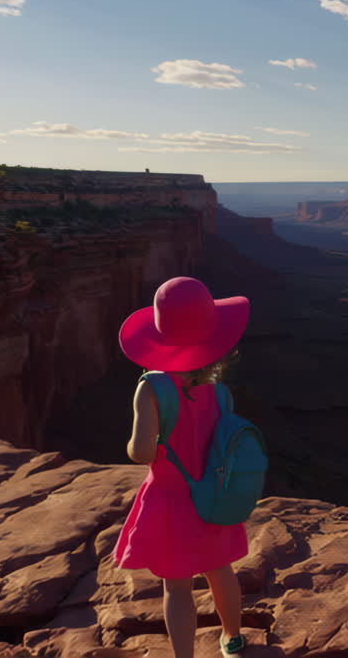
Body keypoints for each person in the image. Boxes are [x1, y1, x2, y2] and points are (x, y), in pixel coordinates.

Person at [113, 276, 252, 657]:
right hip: (215, 497)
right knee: (220, 570)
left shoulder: (152, 387)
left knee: (176, 588)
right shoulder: (218, 388)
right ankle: (233, 638)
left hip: (171, 501)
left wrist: (133, 441)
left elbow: (142, 453)